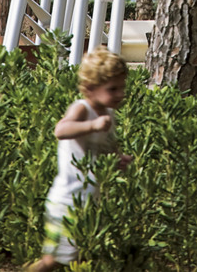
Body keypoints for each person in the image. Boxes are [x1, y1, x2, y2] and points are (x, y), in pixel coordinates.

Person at [25, 46, 131, 271]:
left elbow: (107, 147)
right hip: (66, 201)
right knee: (54, 260)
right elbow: (61, 130)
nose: (120, 94)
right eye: (112, 89)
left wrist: (118, 159)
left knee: (82, 257)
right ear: (90, 88)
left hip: (89, 201)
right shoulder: (82, 109)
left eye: (122, 88)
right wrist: (92, 125)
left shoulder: (109, 114)